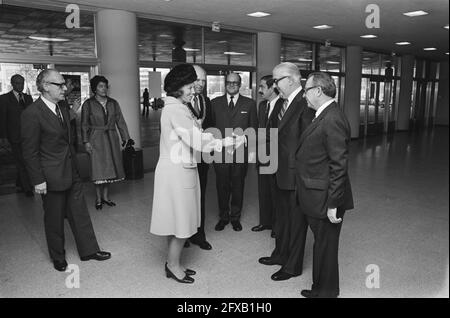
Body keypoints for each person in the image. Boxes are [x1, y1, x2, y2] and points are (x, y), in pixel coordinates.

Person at [150, 63, 233, 284]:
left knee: (175, 222)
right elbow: (198, 141)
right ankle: (174, 266)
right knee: (182, 225)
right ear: (178, 87)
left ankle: (172, 262)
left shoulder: (175, 107)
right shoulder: (176, 109)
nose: (193, 89)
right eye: (189, 85)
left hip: (174, 171)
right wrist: (227, 141)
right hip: (178, 173)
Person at [21, 69, 111, 272]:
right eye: (60, 85)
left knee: (80, 213)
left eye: (64, 84)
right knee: (54, 218)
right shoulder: (32, 114)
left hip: (72, 170)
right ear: (45, 87)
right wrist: (38, 180)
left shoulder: (62, 106)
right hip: (50, 176)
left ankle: (89, 250)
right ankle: (58, 256)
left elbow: (67, 140)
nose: (65, 88)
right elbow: (29, 151)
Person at [296, 72, 354, 298]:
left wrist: (333, 204)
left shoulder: (333, 118)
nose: (304, 95)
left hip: (327, 198)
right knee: (322, 246)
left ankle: (327, 293)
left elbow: (339, 166)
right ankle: (320, 289)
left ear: (318, 91)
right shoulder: (323, 114)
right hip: (317, 194)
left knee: (326, 248)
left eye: (306, 90)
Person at [258, 62, 315, 281]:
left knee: (296, 222)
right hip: (278, 171)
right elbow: (273, 135)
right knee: (281, 219)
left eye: (276, 80)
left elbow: (308, 144)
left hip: (294, 175)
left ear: (290, 80)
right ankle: (280, 254)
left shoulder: (305, 103)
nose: (274, 85)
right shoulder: (281, 103)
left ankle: (293, 266)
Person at [210, 73, 258, 232]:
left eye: (235, 83)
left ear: (240, 84)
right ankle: (223, 217)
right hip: (220, 153)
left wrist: (244, 138)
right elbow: (209, 130)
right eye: (229, 82)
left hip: (240, 154)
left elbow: (254, 130)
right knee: (221, 186)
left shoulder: (250, 104)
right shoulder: (215, 103)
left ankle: (235, 218)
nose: (231, 85)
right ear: (225, 84)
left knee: (238, 186)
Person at [81, 75, 134, 210]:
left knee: (110, 169)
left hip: (111, 137)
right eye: (100, 86)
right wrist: (86, 141)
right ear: (94, 88)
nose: (104, 89)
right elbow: (84, 124)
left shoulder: (113, 103)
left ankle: (106, 196)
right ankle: (98, 198)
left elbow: (120, 121)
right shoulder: (88, 104)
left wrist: (125, 138)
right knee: (98, 170)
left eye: (105, 86)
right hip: (95, 139)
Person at [184, 65, 213, 250]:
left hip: (202, 158)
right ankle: (183, 234)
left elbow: (209, 127)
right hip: (184, 157)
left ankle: (198, 233)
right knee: (186, 196)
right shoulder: (180, 102)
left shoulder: (205, 101)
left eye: (204, 80)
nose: (201, 84)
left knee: (200, 195)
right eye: (198, 80)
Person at [252, 75, 283, 236]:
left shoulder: (283, 105)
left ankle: (277, 227)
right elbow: (260, 128)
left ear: (273, 88)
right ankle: (265, 222)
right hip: (262, 154)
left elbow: (277, 133)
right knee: (263, 191)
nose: (259, 90)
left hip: (277, 156)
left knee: (276, 193)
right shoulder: (262, 105)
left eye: (263, 87)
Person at [0, 74, 34, 196]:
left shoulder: (28, 98)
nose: (20, 85)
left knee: (25, 160)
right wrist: (3, 137)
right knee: (21, 161)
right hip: (14, 136)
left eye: (22, 83)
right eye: (18, 83)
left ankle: (19, 183)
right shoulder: (4, 99)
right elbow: (2, 119)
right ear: (12, 84)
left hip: (28, 136)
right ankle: (28, 188)